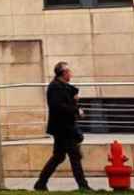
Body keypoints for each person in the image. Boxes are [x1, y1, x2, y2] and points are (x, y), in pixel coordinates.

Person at [34, 61, 91, 191]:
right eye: (69, 71)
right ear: (64, 73)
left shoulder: (62, 86)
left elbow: (71, 92)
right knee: (74, 156)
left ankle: (41, 183)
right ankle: (83, 185)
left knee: (59, 156)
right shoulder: (55, 87)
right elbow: (58, 106)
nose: (71, 73)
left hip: (65, 127)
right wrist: (76, 110)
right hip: (63, 128)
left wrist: (75, 97)